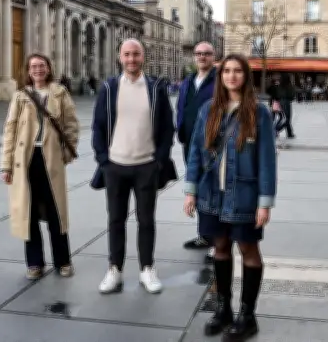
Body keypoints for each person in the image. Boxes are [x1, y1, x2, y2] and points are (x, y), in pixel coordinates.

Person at [184, 54, 277, 339]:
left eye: (238, 71)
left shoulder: (258, 112)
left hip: (245, 195)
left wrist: (265, 202)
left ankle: (247, 315)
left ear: (246, 76)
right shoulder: (208, 109)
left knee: (248, 250)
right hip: (211, 193)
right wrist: (190, 191)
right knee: (220, 248)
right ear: (221, 76)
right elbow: (196, 154)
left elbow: (267, 160)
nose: (232, 76)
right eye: (227, 71)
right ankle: (223, 308)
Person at [91, 39, 176, 294]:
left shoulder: (155, 88)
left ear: (143, 57)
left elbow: (166, 127)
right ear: (120, 57)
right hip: (115, 166)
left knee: (146, 220)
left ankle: (147, 269)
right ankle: (114, 269)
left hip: (145, 166)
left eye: (136, 54)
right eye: (127, 54)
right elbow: (98, 126)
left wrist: (159, 160)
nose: (131, 59)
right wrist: (103, 160)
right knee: (115, 220)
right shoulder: (109, 87)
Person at [0, 53, 80, 280]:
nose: (37, 70)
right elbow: (9, 131)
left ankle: (63, 261)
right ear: (27, 70)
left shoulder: (60, 93)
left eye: (41, 66)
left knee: (56, 212)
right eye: (33, 66)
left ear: (48, 69)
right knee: (29, 212)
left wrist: (66, 152)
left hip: (51, 159)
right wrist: (6, 165)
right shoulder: (20, 96)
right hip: (25, 160)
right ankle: (34, 263)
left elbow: (71, 125)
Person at [176, 41, 217, 253]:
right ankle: (204, 235)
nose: (202, 57)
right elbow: (180, 107)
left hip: (211, 145)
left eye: (206, 54)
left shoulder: (219, 81)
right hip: (190, 144)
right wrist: (179, 128)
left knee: (213, 190)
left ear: (213, 56)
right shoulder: (188, 81)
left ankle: (217, 240)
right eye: (198, 54)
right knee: (198, 189)